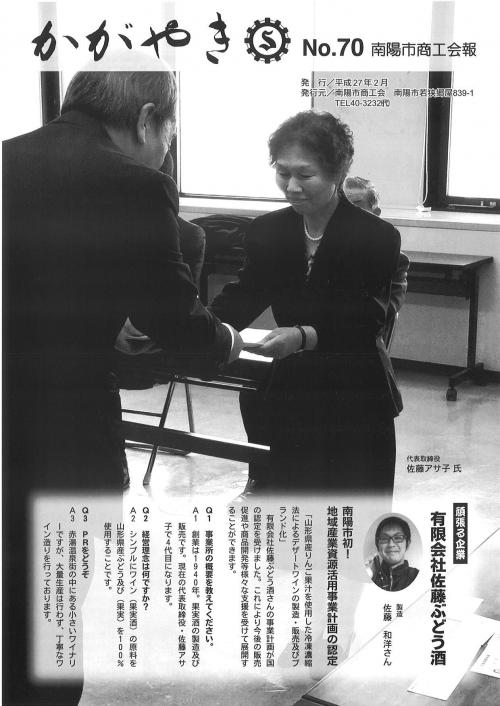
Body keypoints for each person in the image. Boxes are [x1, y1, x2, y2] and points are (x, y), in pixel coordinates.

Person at [3, 68, 242, 705]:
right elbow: (174, 317)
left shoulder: (7, 159)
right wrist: (228, 340)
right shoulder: (134, 182)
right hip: (63, 428)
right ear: (145, 118)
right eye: (169, 134)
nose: (165, 150)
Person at [210, 111, 403, 492]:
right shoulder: (269, 230)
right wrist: (198, 325)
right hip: (293, 391)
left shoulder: (375, 235)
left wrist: (302, 336)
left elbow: (366, 319)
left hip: (357, 393)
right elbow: (244, 294)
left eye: (305, 174)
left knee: (353, 512)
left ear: (338, 172)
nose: (292, 186)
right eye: (283, 173)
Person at [343, 175, 410, 322]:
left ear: (376, 214)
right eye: (342, 209)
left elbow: (385, 310)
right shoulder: (320, 249)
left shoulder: (395, 259)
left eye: (357, 209)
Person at [366, 516, 419, 591]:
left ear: (407, 543)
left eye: (398, 538)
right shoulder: (369, 576)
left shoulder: (417, 576)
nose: (391, 544)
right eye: (384, 538)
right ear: (377, 545)